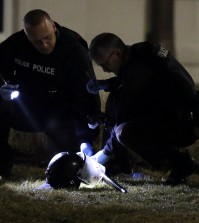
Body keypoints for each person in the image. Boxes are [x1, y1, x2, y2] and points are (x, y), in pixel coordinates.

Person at [86, 32, 199, 185]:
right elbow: (130, 79)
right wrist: (105, 84)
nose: (105, 69)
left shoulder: (138, 69)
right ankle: (120, 162)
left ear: (116, 53)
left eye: (105, 64)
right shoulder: (141, 52)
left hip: (183, 123)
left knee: (124, 132)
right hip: (181, 114)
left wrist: (105, 153)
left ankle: (180, 163)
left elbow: (122, 115)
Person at [0, 9, 101, 177]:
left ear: (53, 27)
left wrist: (87, 138)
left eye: (47, 37)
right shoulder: (15, 44)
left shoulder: (73, 50)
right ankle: (3, 164)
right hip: (23, 107)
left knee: (70, 163)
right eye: (37, 41)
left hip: (58, 112)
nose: (44, 45)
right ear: (27, 37)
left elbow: (88, 94)